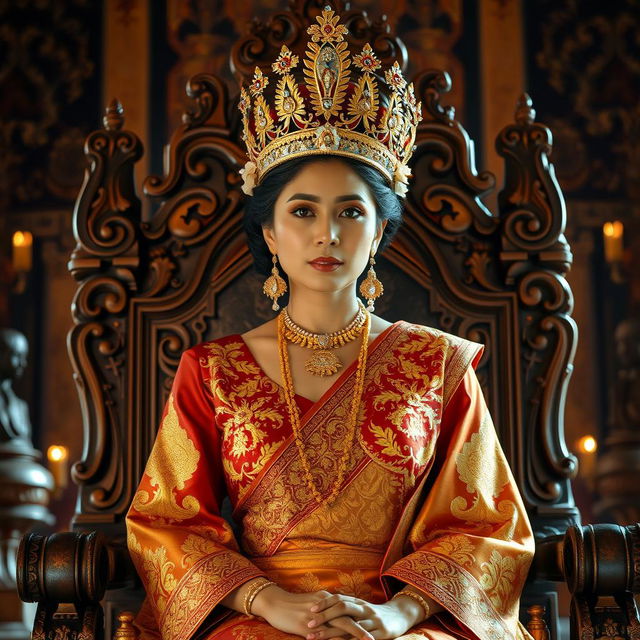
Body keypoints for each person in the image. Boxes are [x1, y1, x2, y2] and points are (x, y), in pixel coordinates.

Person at [126, 8, 535, 640]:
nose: (327, 233)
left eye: (350, 211)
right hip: (260, 618)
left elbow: (486, 525)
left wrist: (398, 612)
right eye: (303, 210)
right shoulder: (211, 373)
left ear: (378, 232)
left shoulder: (436, 364)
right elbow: (166, 522)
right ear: (269, 231)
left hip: (398, 620)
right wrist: (267, 602)